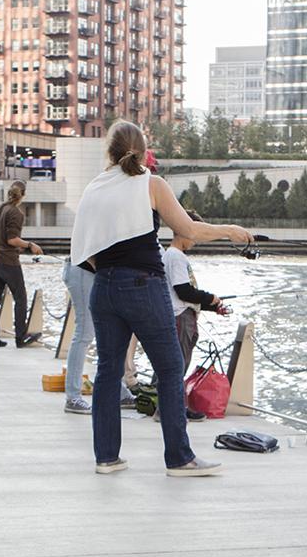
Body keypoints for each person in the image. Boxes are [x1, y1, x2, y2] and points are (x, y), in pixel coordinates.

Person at [71, 121, 253, 478]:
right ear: (143, 151)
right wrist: (230, 231)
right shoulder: (151, 184)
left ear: (109, 152)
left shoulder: (93, 189)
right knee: (170, 369)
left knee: (108, 371)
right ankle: (179, 458)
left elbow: (85, 252)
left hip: (103, 286)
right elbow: (188, 230)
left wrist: (112, 270)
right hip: (143, 285)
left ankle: (106, 457)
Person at [60, 252, 136, 416]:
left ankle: (119, 392)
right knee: (84, 333)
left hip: (97, 273)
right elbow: (85, 245)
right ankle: (72, 397)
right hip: (84, 271)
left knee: (113, 330)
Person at [161, 216, 230, 373]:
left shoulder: (173, 255)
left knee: (175, 365)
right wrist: (210, 297)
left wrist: (213, 306)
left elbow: (183, 296)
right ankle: (168, 396)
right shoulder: (176, 256)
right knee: (177, 367)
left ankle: (164, 395)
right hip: (181, 319)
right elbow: (184, 292)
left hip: (183, 316)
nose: (196, 239)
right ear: (182, 230)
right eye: (195, 233)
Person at [0, 181, 42, 347]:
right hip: (8, 261)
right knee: (20, 298)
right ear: (23, 194)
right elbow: (12, 240)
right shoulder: (16, 213)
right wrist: (30, 245)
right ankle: (21, 336)